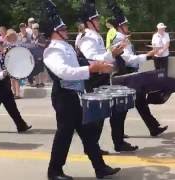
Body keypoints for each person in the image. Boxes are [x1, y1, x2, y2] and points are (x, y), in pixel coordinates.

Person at [40, 1, 120, 179]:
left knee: (88, 133)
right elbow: (64, 72)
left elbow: (83, 62)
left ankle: (100, 168)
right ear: (55, 31)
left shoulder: (66, 46)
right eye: (62, 27)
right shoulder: (52, 50)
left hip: (75, 95)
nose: (66, 29)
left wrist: (102, 63)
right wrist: (91, 69)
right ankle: (54, 171)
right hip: (63, 97)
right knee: (64, 135)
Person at [77, 0, 139, 153]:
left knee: (117, 109)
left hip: (103, 77)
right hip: (94, 78)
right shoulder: (87, 37)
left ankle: (116, 142)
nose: (99, 21)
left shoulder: (94, 35)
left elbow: (100, 55)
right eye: (96, 19)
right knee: (97, 116)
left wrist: (113, 51)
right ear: (88, 22)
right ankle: (92, 147)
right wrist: (113, 53)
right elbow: (92, 58)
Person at [108, 0, 168, 137]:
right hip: (124, 75)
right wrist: (147, 56)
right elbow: (128, 59)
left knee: (140, 102)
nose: (128, 26)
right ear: (120, 27)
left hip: (130, 74)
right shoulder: (119, 39)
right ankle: (119, 135)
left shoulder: (123, 38)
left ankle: (153, 128)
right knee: (123, 107)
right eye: (125, 24)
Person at [0, 39, 32, 133]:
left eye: (1, 44)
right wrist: (3, 74)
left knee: (12, 107)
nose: (1, 46)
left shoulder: (3, 57)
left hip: (5, 86)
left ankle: (21, 126)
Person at [5, 29, 22, 99]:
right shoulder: (7, 44)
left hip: (16, 63)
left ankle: (18, 94)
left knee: (16, 79)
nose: (12, 37)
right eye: (10, 36)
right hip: (10, 64)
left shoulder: (17, 44)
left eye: (12, 35)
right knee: (12, 79)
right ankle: (14, 93)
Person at [31, 23, 47, 88]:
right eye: (33, 29)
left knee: (41, 70)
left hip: (40, 54)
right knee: (35, 70)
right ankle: (37, 83)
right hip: (34, 55)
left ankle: (42, 82)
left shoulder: (41, 36)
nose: (35, 30)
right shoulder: (31, 36)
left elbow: (44, 45)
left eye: (36, 28)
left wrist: (38, 43)